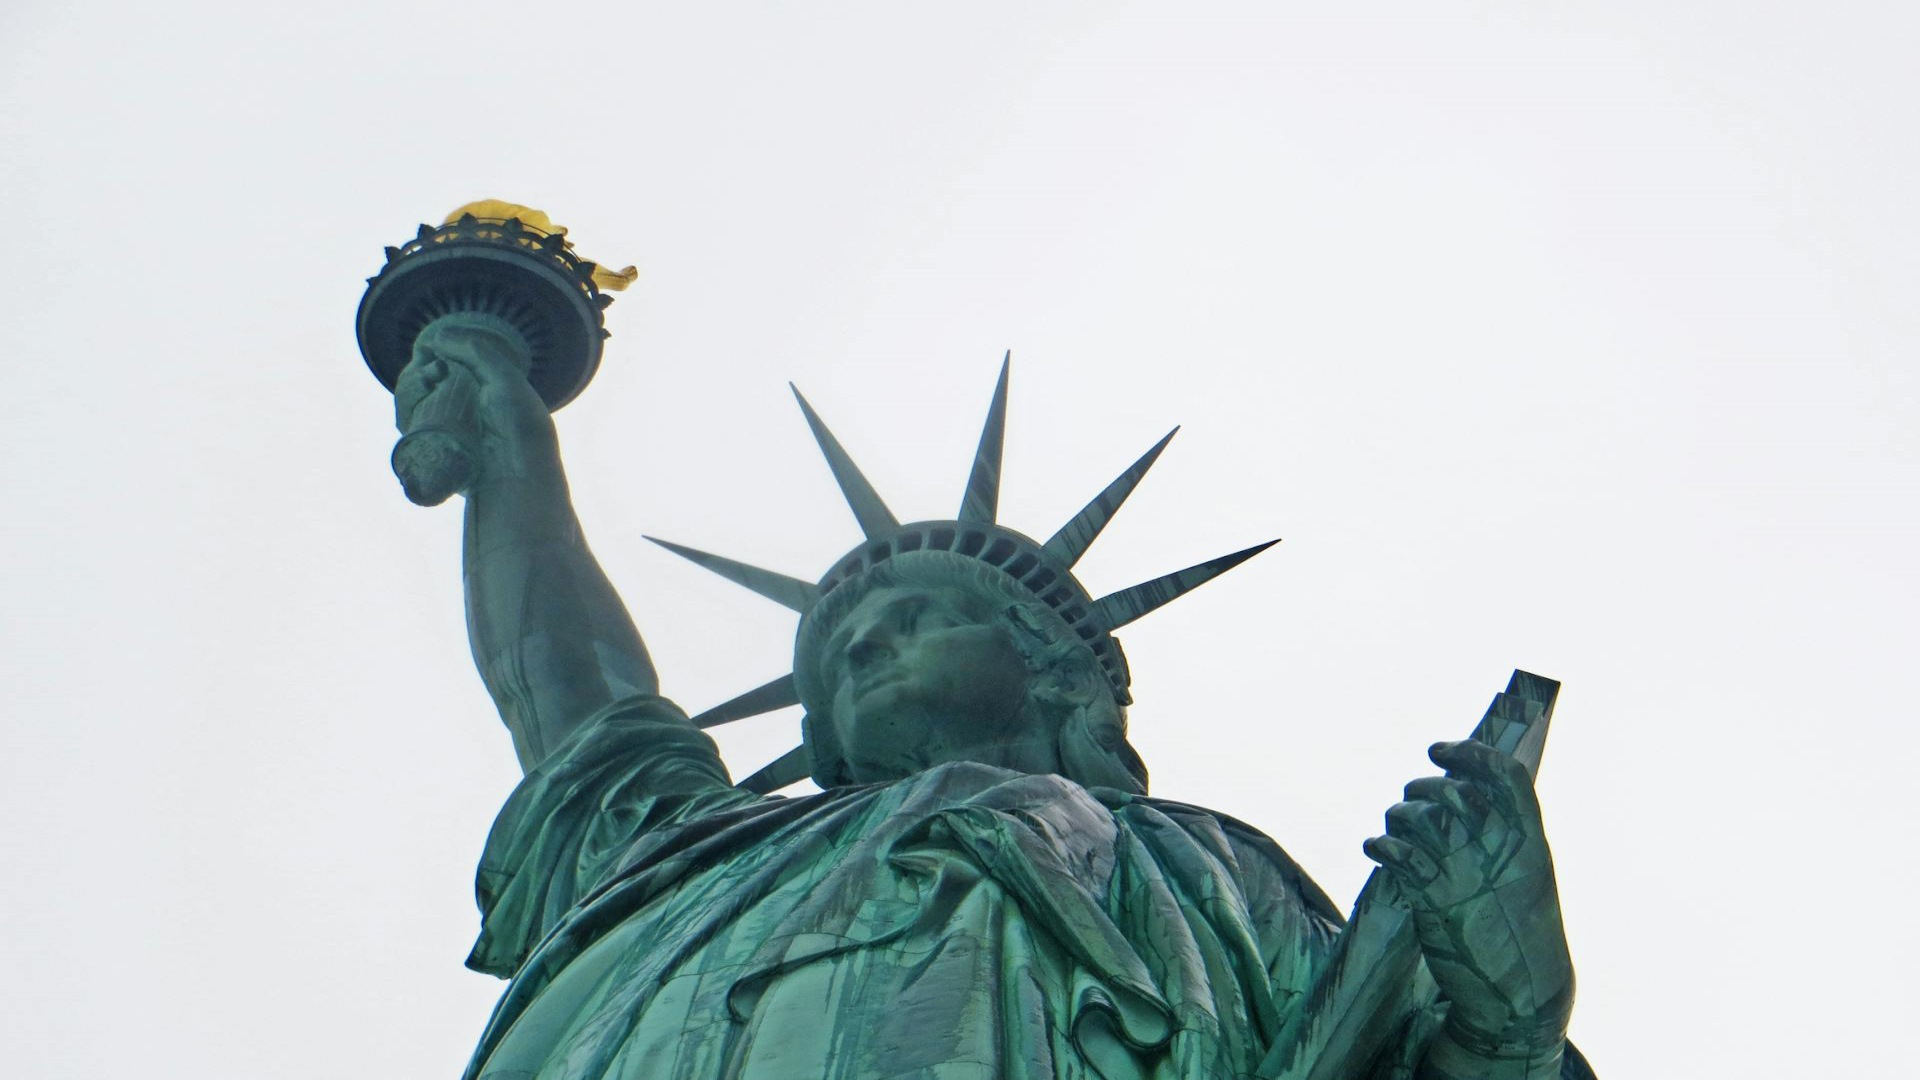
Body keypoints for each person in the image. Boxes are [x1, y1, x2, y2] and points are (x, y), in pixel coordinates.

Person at [392, 317, 1591, 1080]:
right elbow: (565, 684)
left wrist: (1507, 1008)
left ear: (1056, 671)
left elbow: (1398, 1056)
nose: (867, 641)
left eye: (917, 614)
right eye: (840, 645)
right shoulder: (695, 849)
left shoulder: (1204, 873)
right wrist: (509, 432)